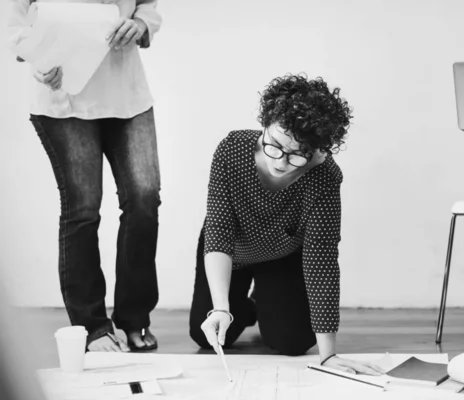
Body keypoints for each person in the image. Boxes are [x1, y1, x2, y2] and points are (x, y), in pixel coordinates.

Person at [189, 74, 385, 375]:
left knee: (293, 342)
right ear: (265, 123)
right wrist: (221, 307)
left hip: (282, 255)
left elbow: (321, 261)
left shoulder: (325, 177)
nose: (280, 162)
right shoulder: (232, 149)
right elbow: (219, 229)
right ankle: (247, 306)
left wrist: (328, 356)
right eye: (275, 145)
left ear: (318, 152)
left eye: (297, 155)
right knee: (206, 335)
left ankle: (267, 296)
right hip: (232, 254)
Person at [7, 0, 163, 352]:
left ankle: (134, 317)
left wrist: (141, 23)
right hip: (63, 97)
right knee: (83, 209)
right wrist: (39, 64)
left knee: (144, 200)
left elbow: (148, 6)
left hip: (127, 94)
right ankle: (92, 327)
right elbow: (17, 26)